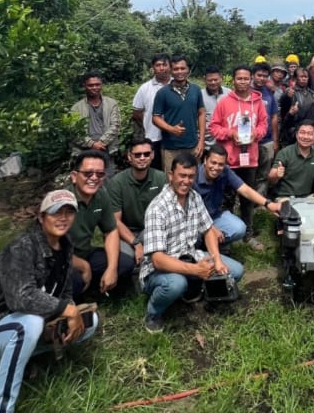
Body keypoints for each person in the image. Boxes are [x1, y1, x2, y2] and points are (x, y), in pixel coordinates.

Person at [0, 190, 99, 413]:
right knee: (28, 325)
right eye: (55, 213)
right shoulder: (22, 247)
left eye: (69, 212)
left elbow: (65, 293)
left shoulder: (65, 245)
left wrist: (68, 311)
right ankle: (1, 408)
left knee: (90, 321)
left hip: (20, 328)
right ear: (41, 218)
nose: (63, 218)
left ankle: (31, 361)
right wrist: (66, 309)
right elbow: (21, 297)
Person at [140, 153, 244, 333]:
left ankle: (198, 291)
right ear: (171, 175)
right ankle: (153, 314)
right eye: (182, 176)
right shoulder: (157, 208)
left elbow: (209, 230)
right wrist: (196, 270)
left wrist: (216, 259)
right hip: (159, 269)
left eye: (191, 177)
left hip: (190, 256)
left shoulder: (194, 197)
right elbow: (157, 260)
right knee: (175, 284)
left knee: (235, 271)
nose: (186, 181)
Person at [209, 65, 268, 246]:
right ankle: (227, 234)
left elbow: (263, 125)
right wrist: (230, 134)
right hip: (229, 159)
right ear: (233, 80)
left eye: (246, 78)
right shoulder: (224, 102)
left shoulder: (258, 103)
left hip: (250, 158)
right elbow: (214, 127)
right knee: (226, 198)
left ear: (250, 80)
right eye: (239, 78)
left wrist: (255, 134)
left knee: (247, 198)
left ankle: (248, 233)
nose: (243, 82)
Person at [67, 150, 135, 298]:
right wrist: (83, 267)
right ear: (74, 176)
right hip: (60, 259)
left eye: (99, 174)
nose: (94, 178)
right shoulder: (63, 202)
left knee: (124, 264)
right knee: (74, 280)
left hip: (85, 252)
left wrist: (111, 268)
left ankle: (96, 288)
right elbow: (51, 249)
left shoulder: (101, 196)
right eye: (87, 173)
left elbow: (110, 230)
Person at [194, 144, 282, 253]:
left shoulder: (225, 171)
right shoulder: (194, 177)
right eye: (213, 162)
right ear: (205, 160)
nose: (216, 167)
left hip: (214, 215)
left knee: (240, 228)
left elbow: (244, 189)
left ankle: (214, 245)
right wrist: (209, 227)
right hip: (195, 221)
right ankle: (199, 251)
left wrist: (268, 204)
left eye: (220, 164)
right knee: (194, 238)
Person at [107, 138, 167, 266]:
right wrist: (136, 243)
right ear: (129, 156)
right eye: (137, 155)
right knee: (125, 261)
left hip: (152, 230)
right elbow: (115, 221)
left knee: (162, 254)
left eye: (146, 154)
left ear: (152, 155)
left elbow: (167, 214)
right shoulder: (117, 183)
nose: (142, 158)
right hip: (126, 232)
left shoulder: (161, 178)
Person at [152, 55, 205, 172]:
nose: (179, 72)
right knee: (172, 181)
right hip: (171, 148)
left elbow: (201, 113)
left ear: (188, 70)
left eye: (182, 68)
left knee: (194, 179)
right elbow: (155, 118)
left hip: (193, 146)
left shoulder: (196, 90)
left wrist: (201, 141)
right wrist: (171, 129)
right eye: (176, 69)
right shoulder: (163, 93)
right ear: (171, 70)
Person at [71, 71, 121, 175]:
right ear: (84, 86)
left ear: (101, 85)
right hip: (84, 150)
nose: (94, 88)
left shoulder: (111, 104)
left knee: (107, 178)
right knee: (87, 179)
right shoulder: (76, 108)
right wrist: (92, 144)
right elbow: (74, 131)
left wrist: (101, 143)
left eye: (97, 84)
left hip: (106, 148)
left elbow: (115, 125)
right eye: (90, 85)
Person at [269, 120, 314, 198]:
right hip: (285, 197)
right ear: (296, 134)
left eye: (310, 134)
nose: (306, 137)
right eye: (302, 132)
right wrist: (277, 175)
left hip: (307, 197)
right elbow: (271, 178)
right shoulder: (285, 153)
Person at [132, 53, 171, 170]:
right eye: (158, 65)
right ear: (153, 68)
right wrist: (147, 125)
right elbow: (137, 113)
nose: (162, 68)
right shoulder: (145, 88)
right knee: (156, 170)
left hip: (174, 137)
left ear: (170, 66)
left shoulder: (178, 85)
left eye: (164, 65)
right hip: (153, 137)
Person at [251, 63, 279, 198]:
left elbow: (274, 116)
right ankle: (247, 202)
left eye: (264, 76)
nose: (261, 79)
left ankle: (260, 202)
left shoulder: (269, 93)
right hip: (249, 141)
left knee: (264, 174)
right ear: (253, 75)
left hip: (267, 140)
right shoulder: (246, 91)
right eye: (259, 75)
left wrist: (275, 140)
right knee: (250, 172)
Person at [200, 66, 229, 150]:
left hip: (225, 140)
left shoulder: (229, 93)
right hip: (206, 143)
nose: (213, 82)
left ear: (221, 78)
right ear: (204, 79)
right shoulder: (199, 95)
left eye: (216, 80)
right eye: (210, 80)